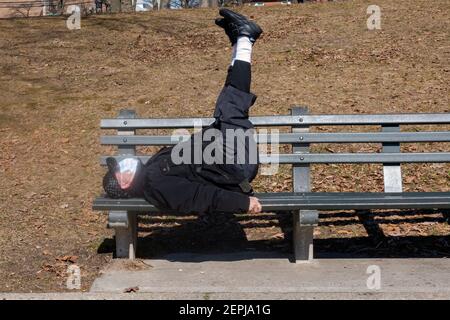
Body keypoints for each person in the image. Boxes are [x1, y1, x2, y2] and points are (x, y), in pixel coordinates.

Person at [103, 9, 263, 215]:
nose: (122, 165)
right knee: (230, 107)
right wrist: (242, 203)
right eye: (119, 171)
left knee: (226, 105)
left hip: (225, 158)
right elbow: (199, 196)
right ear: (125, 183)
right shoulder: (157, 186)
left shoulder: (152, 172)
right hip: (236, 163)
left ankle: (239, 42)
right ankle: (244, 39)